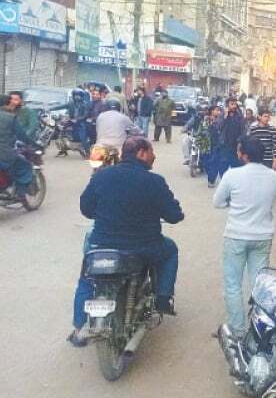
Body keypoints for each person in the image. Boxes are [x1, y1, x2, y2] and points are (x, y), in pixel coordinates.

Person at [69, 136, 183, 346]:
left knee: (87, 277)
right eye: (151, 152)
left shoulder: (102, 176)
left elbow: (86, 209)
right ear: (141, 153)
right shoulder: (154, 181)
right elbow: (175, 215)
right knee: (171, 250)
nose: (154, 156)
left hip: (102, 246)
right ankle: (162, 300)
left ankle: (78, 326)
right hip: (144, 248)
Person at [213, 137, 276, 338]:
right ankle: (260, 328)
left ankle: (238, 329)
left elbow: (217, 202)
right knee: (260, 284)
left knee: (233, 284)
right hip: (262, 236)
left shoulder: (232, 175)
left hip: (236, 235)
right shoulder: (273, 176)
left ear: (244, 154)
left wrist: (233, 205)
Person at [0, 94, 38, 202]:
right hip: (4, 154)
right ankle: (20, 193)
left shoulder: (24, 112)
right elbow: (22, 135)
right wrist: (34, 144)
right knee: (25, 165)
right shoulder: (10, 117)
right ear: (7, 104)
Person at [218, 97, 245, 176]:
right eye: (232, 104)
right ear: (227, 105)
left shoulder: (239, 116)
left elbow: (243, 130)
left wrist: (240, 141)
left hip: (236, 146)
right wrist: (225, 117)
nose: (234, 106)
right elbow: (219, 127)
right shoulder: (223, 115)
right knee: (223, 165)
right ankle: (224, 182)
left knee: (236, 167)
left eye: (235, 104)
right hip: (225, 145)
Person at [205, 105, 225, 187]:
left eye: (219, 110)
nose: (218, 112)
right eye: (217, 110)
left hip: (218, 144)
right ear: (212, 111)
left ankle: (212, 180)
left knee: (217, 163)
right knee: (208, 163)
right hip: (207, 144)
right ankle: (211, 178)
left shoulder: (220, 120)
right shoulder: (206, 119)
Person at [68, 88, 91, 153]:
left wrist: (77, 119)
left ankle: (88, 152)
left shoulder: (85, 104)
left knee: (83, 138)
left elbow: (85, 115)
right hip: (73, 122)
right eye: (75, 95)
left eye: (78, 95)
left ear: (81, 96)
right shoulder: (72, 104)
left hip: (81, 123)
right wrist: (50, 108)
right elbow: (61, 106)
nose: (77, 97)